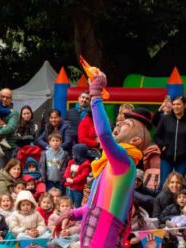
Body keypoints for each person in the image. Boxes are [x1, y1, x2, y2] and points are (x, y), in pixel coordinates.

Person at [54, 70, 153, 247]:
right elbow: (98, 207)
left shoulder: (124, 161)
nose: (119, 124)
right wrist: (73, 214)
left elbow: (104, 134)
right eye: (120, 122)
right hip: (95, 233)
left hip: (102, 236)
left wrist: (95, 95)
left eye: (127, 125)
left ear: (136, 140)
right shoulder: (113, 163)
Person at [155, 95, 186, 187]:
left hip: (183, 159)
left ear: (184, 105)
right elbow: (157, 135)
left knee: (179, 184)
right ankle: (161, 201)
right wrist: (162, 146)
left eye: (178, 104)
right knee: (164, 184)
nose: (176, 106)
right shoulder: (166, 118)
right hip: (166, 157)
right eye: (174, 104)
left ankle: (177, 201)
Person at [63, 143, 91, 208]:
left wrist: (73, 181)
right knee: (69, 201)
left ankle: (76, 214)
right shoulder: (71, 162)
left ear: (79, 153)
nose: (73, 154)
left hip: (78, 188)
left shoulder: (86, 165)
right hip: (69, 186)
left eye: (74, 152)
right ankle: (69, 212)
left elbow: (83, 175)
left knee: (77, 202)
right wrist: (67, 177)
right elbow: (67, 170)